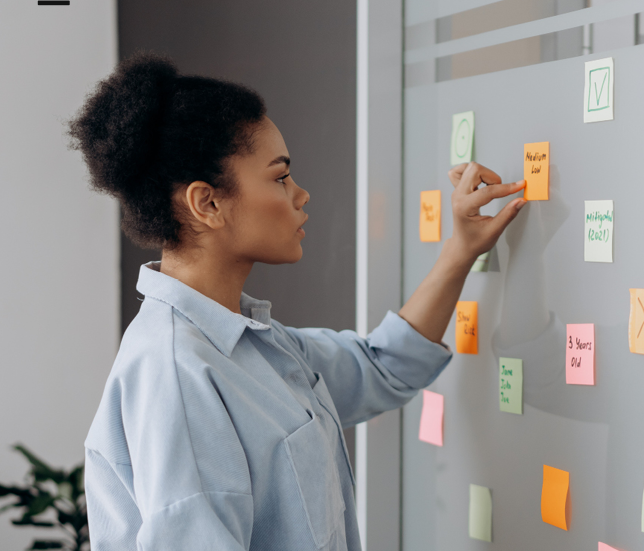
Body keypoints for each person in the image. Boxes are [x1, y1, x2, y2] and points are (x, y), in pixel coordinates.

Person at [68, 51, 526, 551]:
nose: (300, 194)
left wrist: (461, 249)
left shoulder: (250, 342)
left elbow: (381, 366)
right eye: (280, 176)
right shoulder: (177, 374)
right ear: (208, 203)